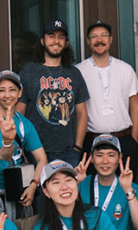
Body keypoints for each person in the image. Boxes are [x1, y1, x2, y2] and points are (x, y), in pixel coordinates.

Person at [16, 19, 89, 167]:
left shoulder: (74, 74)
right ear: (43, 41)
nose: (56, 41)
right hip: (35, 150)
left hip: (68, 152)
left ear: (66, 43)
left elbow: (82, 113)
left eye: (61, 37)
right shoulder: (29, 72)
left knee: (67, 190)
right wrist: (20, 146)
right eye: (51, 36)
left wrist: (77, 147)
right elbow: (19, 114)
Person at [75, 21, 138, 180]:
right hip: (91, 141)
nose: (99, 40)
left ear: (111, 39)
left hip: (123, 140)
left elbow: (135, 108)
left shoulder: (125, 69)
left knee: (126, 189)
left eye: (104, 35)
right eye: (94, 36)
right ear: (88, 41)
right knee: (90, 192)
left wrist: (133, 141)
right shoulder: (78, 71)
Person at [0, 70, 48, 220]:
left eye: (12, 90)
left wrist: (33, 186)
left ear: (20, 93)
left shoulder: (25, 124)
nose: (7, 95)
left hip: (17, 189)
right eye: (2, 90)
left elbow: (42, 159)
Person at [74, 134, 138, 230]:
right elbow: (56, 216)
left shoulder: (131, 188)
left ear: (120, 158)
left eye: (111, 155)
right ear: (91, 158)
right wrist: (75, 182)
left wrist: (127, 189)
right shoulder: (81, 184)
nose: (105, 161)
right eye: (99, 155)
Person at [34, 159, 116, 230]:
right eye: (56, 182)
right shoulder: (42, 227)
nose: (64, 187)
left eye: (68, 180)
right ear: (46, 192)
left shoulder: (96, 216)